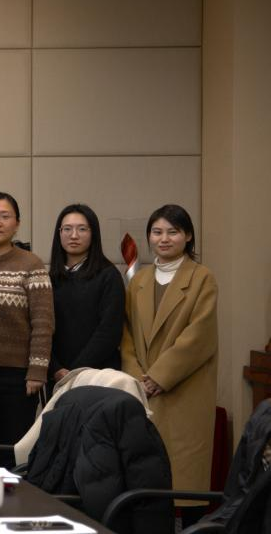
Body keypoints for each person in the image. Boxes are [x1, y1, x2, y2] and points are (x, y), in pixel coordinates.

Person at [121, 203, 217, 499]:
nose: (164, 239)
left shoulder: (202, 278)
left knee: (184, 480)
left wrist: (159, 376)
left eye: (173, 232)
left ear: (188, 236)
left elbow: (199, 335)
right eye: (157, 232)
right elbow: (126, 335)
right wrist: (138, 377)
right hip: (143, 390)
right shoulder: (138, 280)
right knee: (147, 480)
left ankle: (188, 529)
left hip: (184, 388)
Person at [0, 191, 54, 451]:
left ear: (17, 224)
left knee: (12, 449)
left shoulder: (31, 264)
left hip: (18, 377)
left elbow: (43, 322)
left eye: (5, 216)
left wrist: (37, 370)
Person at [48, 204, 124, 389]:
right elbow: (40, 329)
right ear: (59, 233)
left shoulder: (108, 275)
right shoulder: (49, 278)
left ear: (93, 234)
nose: (74, 235)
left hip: (98, 375)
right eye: (67, 229)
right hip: (56, 376)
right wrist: (55, 368)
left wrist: (74, 372)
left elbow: (109, 331)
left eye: (82, 229)